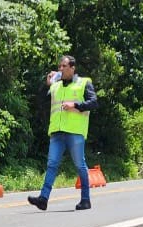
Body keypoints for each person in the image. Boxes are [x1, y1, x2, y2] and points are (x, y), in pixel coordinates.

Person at [28, 55, 98, 211]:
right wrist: (47, 85)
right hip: (57, 131)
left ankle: (85, 200)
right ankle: (43, 199)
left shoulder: (84, 83)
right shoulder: (56, 86)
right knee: (52, 164)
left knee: (80, 165)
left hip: (75, 131)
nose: (60, 69)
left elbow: (94, 102)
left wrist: (75, 105)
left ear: (72, 68)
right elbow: (41, 101)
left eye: (64, 66)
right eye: (59, 66)